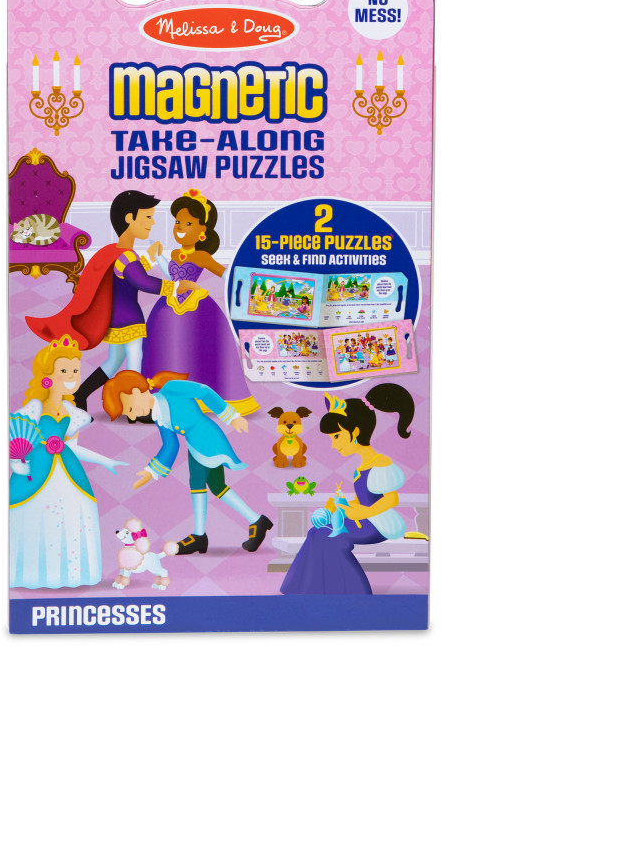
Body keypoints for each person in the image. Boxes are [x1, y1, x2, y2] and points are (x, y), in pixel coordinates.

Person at [26, 190, 202, 414]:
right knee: (135, 359)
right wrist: (176, 288)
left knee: (114, 360)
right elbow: (141, 281)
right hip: (130, 320)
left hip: (115, 320)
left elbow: (129, 275)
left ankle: (80, 394)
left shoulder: (117, 252)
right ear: (129, 218)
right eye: (148, 217)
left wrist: (148, 257)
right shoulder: (126, 256)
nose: (152, 222)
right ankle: (135, 406)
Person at [101, 369, 274, 555]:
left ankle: (201, 536)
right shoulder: (159, 417)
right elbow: (170, 445)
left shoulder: (171, 389)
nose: (133, 417)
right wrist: (151, 472)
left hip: (208, 441)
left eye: (130, 409)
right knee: (216, 487)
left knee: (199, 484)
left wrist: (231, 416)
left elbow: (203, 391)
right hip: (196, 447)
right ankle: (256, 521)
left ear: (136, 392)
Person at [8, 337, 125, 589]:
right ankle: (35, 574)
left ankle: (69, 574)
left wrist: (105, 460)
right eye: (64, 370)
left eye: (75, 370)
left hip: (68, 471)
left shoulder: (72, 412)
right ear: (47, 376)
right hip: (36, 471)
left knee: (72, 514)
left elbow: (72, 447)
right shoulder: (35, 407)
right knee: (36, 516)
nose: (72, 376)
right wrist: (17, 461)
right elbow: (17, 435)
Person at [279, 385, 416, 595]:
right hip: (363, 519)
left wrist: (363, 512)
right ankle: (307, 589)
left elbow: (391, 500)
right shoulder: (361, 468)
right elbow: (363, 499)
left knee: (332, 539)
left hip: (377, 524)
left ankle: (356, 592)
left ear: (355, 432)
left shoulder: (380, 463)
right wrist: (342, 506)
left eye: (336, 437)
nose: (333, 444)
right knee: (316, 532)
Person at [140, 188, 257, 415]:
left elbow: (224, 273)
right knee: (164, 345)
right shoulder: (175, 254)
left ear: (202, 230)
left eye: (187, 223)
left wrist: (244, 280)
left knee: (200, 347)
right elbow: (170, 273)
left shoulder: (201, 256)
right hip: (169, 303)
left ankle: (204, 398)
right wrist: (158, 256)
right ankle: (163, 396)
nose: (180, 227)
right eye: (177, 222)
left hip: (197, 304)